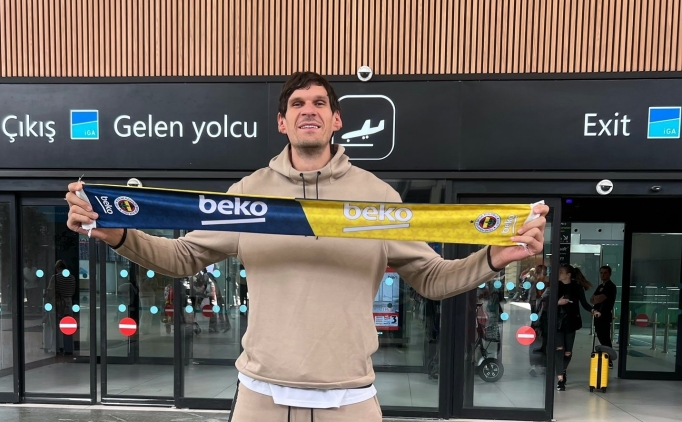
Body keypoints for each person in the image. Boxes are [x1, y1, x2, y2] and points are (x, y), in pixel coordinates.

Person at [65, 71, 549, 421]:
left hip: (350, 399)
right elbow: (183, 256)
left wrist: (493, 258)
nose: (308, 110)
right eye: (297, 104)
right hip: (260, 398)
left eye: (319, 103)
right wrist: (119, 234)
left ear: (336, 119)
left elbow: (432, 277)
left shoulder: (377, 197)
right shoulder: (249, 193)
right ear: (283, 122)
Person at [555, 264, 600, 391]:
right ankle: (560, 379)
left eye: (561, 272)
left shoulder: (576, 287)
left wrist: (593, 311)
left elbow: (584, 303)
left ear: (568, 275)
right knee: (559, 349)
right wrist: (558, 302)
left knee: (568, 352)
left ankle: (563, 371)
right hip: (557, 322)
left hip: (571, 322)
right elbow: (547, 301)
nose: (559, 273)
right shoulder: (556, 286)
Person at [590, 265, 617, 368]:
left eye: (605, 273)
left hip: (605, 315)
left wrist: (597, 298)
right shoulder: (601, 286)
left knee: (605, 338)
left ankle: (609, 359)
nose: (603, 275)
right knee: (601, 336)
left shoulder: (611, 286)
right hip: (598, 315)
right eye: (601, 273)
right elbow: (592, 299)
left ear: (609, 274)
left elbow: (598, 299)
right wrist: (597, 298)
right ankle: (606, 357)